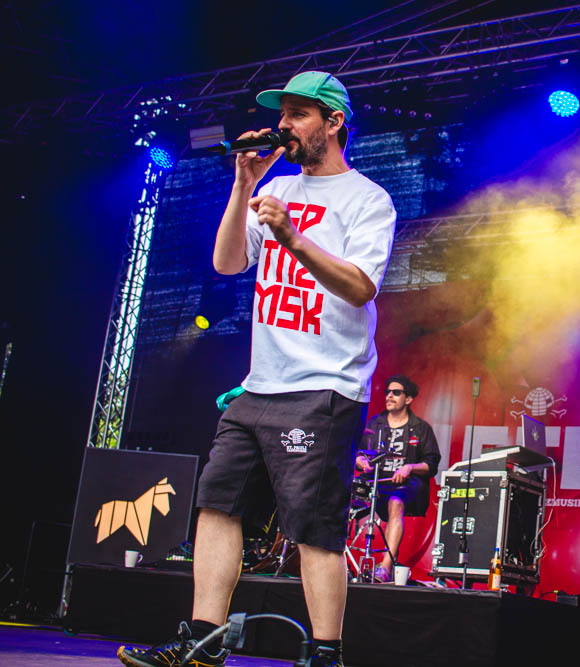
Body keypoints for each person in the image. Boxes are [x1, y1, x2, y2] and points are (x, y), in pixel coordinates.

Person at [117, 71, 396, 667]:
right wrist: (244, 183)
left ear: (333, 122)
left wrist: (292, 237)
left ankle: (325, 655)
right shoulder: (276, 186)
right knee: (217, 505)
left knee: (313, 527)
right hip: (259, 385)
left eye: (297, 114)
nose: (283, 125)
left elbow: (360, 286)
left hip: (325, 387)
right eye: (282, 114)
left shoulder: (367, 199)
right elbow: (227, 262)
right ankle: (202, 644)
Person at [354, 375, 441, 582]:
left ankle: (385, 567)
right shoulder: (375, 424)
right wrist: (360, 461)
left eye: (396, 392)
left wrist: (409, 467)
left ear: (408, 399)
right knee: (340, 495)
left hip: (406, 485)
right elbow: (356, 452)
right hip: (375, 481)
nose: (389, 396)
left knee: (396, 501)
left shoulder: (420, 428)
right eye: (387, 392)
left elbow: (431, 464)